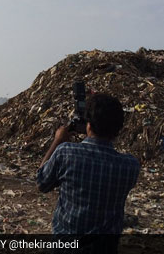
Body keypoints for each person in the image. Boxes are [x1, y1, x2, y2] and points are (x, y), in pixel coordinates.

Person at [36, 93, 140, 236]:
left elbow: (42, 182)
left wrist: (57, 140)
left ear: (88, 125)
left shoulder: (65, 153)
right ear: (118, 130)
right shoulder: (130, 166)